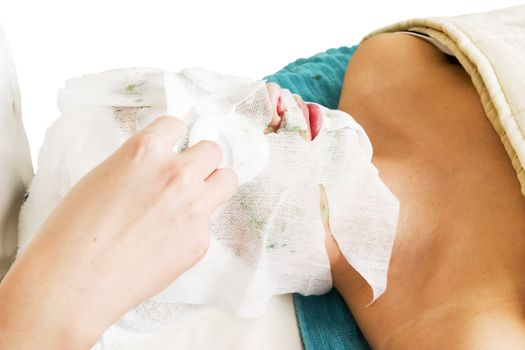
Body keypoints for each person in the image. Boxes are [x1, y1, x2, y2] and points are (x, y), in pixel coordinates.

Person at [2, 32, 525, 350]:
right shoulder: (467, 334)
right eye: (197, 139)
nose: (264, 101)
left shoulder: (394, 61)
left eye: (201, 92)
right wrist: (48, 309)